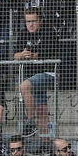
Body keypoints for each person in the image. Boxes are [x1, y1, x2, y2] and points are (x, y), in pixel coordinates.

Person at [14, 9, 59, 138]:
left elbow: (52, 51)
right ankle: (45, 144)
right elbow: (15, 55)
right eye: (28, 21)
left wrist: (35, 55)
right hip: (31, 76)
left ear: (40, 21)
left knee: (24, 86)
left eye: (33, 21)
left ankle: (30, 122)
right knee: (41, 110)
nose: (30, 25)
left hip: (48, 74)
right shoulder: (23, 34)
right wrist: (22, 55)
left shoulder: (49, 32)